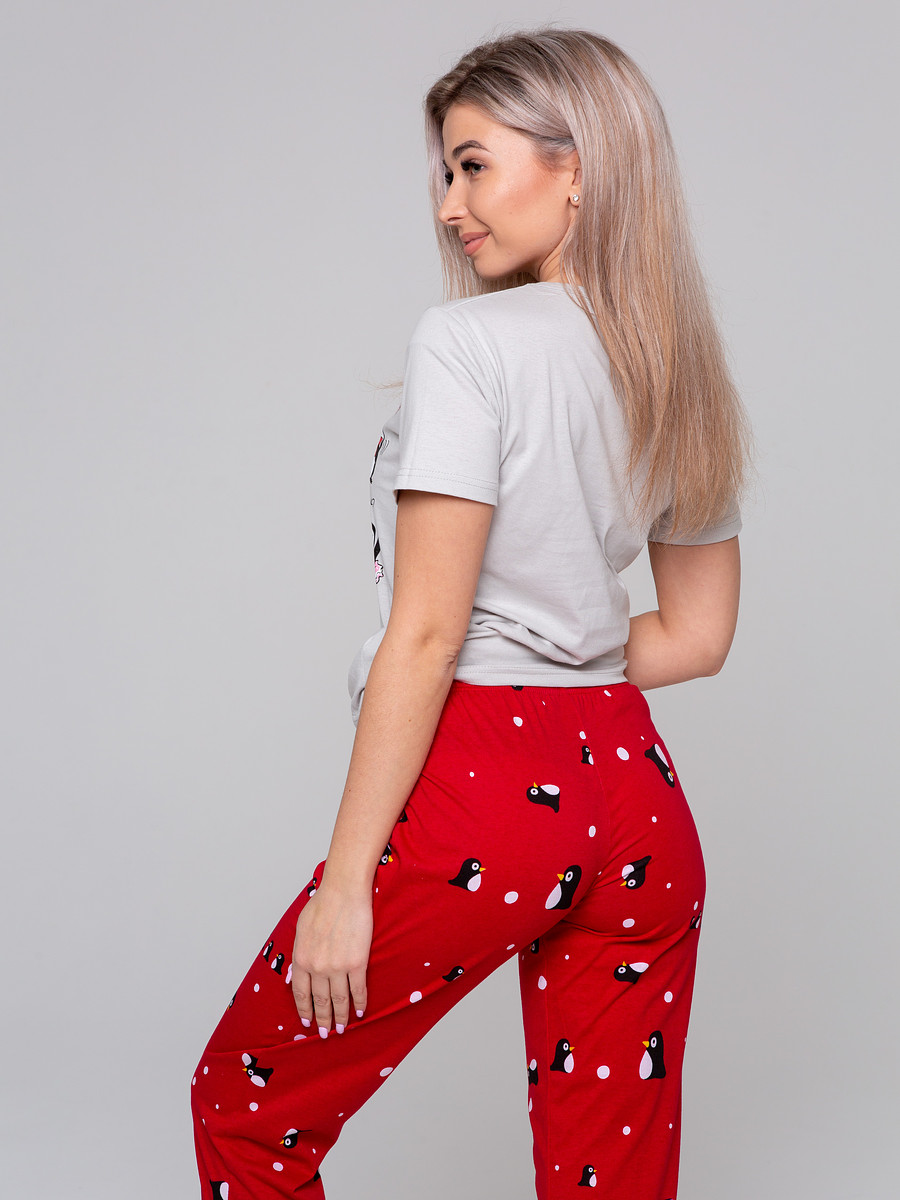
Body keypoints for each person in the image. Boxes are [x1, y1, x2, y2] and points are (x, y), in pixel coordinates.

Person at [190, 26, 754, 1200]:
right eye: (444, 174)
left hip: (487, 788)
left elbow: (429, 634)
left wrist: (347, 885)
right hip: (639, 804)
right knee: (611, 1180)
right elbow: (698, 638)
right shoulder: (677, 365)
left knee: (246, 1109)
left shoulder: (466, 342)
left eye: (474, 164)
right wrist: (569, 660)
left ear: (576, 167)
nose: (450, 205)